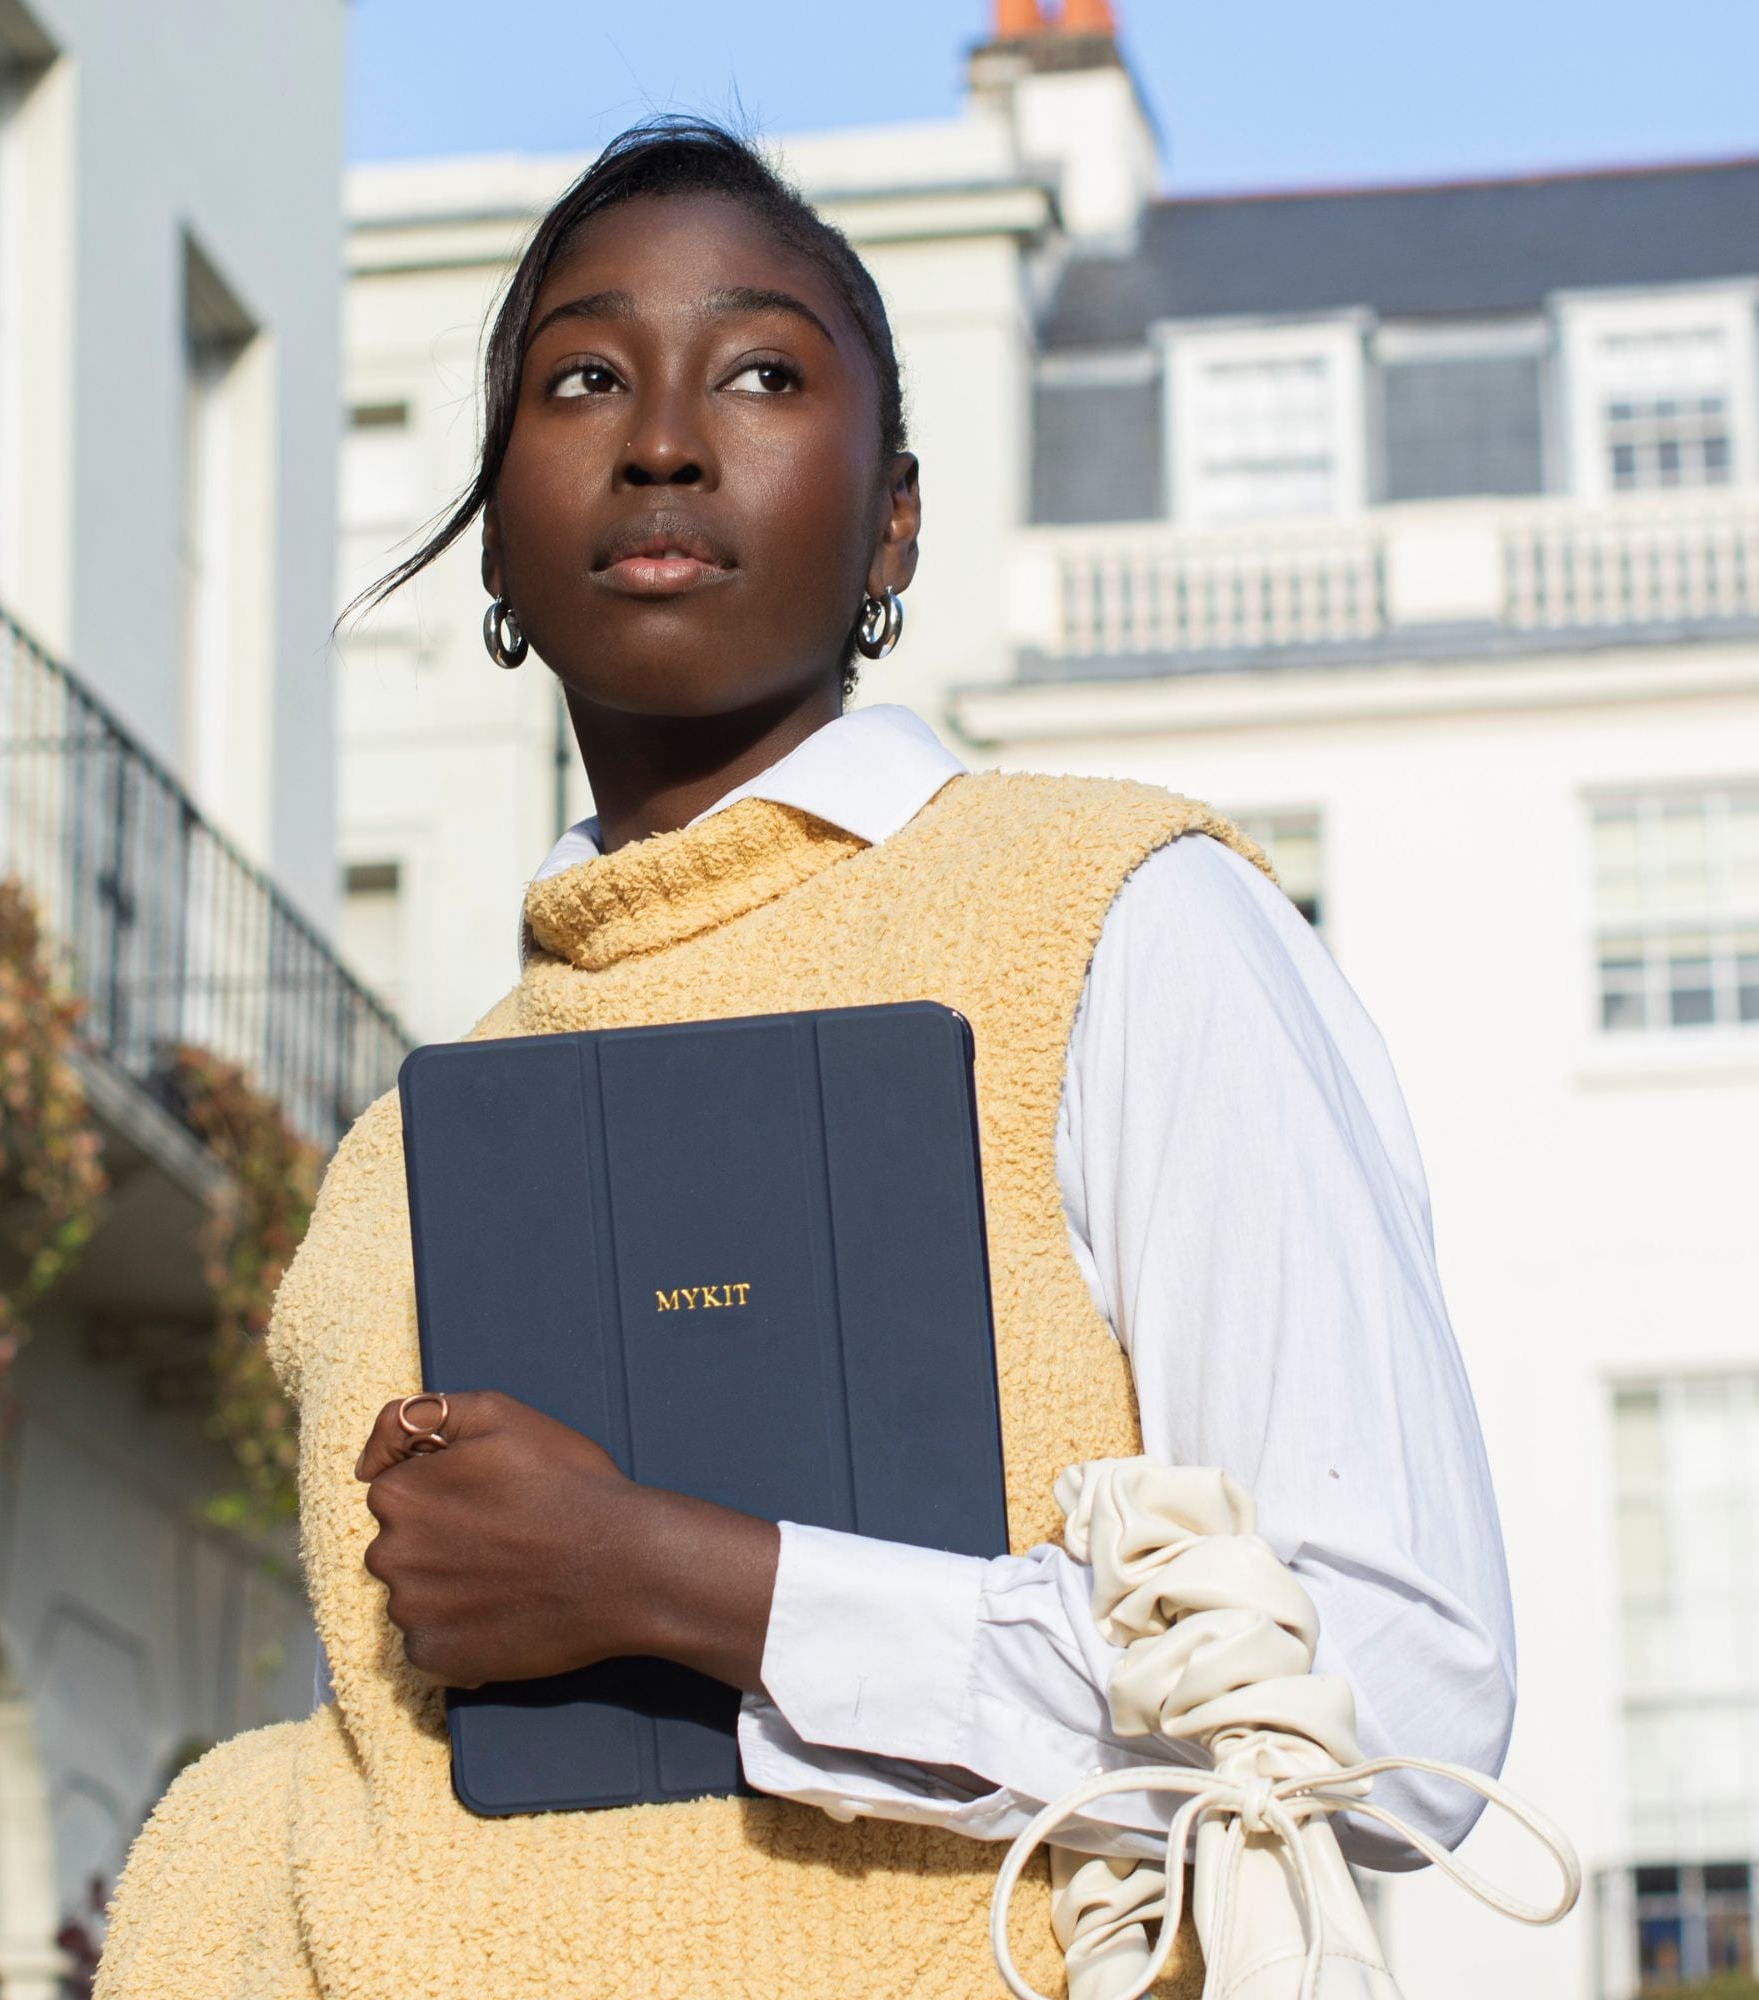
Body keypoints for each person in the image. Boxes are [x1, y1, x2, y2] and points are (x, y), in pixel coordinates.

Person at [95, 120, 1514, 2000]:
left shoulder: (1112, 915)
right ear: (499, 538)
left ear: (895, 519)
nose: (664, 436)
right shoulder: (393, 1168)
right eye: (582, 377)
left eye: (761, 371)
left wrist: (679, 1581)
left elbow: (1392, 1689)